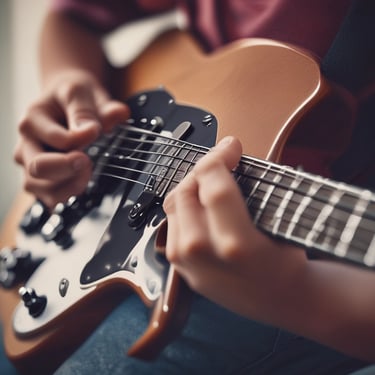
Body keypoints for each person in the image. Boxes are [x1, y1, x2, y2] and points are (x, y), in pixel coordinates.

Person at [7, 0, 375, 373]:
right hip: (117, 210)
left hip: (305, 278)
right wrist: (67, 84)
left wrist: (297, 292)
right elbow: (71, 17)